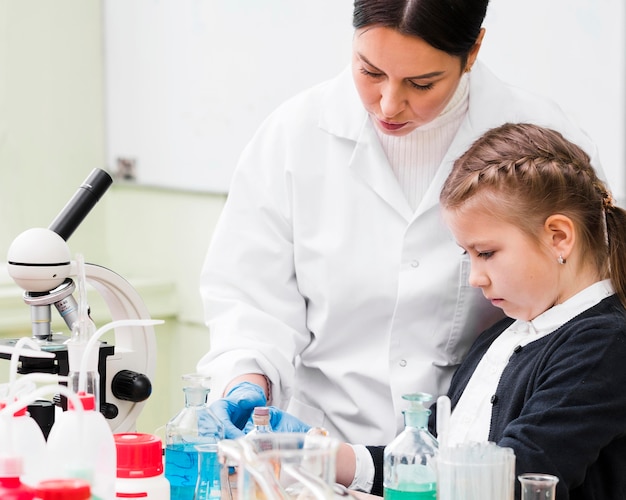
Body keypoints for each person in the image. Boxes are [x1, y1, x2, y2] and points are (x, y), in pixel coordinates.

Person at [198, 0, 604, 483]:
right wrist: (248, 379)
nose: (389, 105)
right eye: (370, 71)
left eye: (421, 84)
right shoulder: (294, 135)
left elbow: (575, 310)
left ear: (472, 51)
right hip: (326, 453)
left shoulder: (539, 142)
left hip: (477, 459)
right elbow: (249, 297)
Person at [323, 122, 626, 498]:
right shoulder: (499, 337)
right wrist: (326, 457)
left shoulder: (606, 345)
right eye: (467, 255)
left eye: (485, 253)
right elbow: (426, 461)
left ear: (558, 237)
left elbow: (519, 475)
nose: (475, 278)